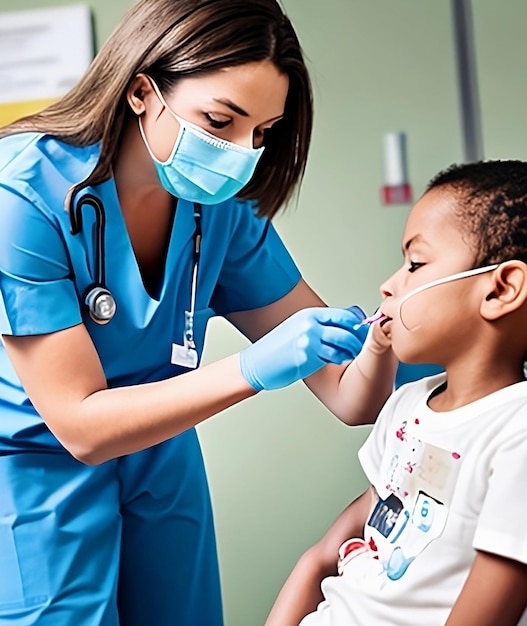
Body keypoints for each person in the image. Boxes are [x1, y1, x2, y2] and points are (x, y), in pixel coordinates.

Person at [0, 1, 397, 625]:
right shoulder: (23, 194)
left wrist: (391, 343)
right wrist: (254, 368)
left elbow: (352, 400)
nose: (242, 153)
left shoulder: (221, 212)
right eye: (220, 120)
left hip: (160, 455)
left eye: (263, 132)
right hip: (37, 466)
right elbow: (80, 425)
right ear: (141, 91)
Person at [266, 159, 527, 626]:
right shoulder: (411, 405)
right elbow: (319, 560)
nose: (390, 285)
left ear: (501, 289)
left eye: (415, 263)